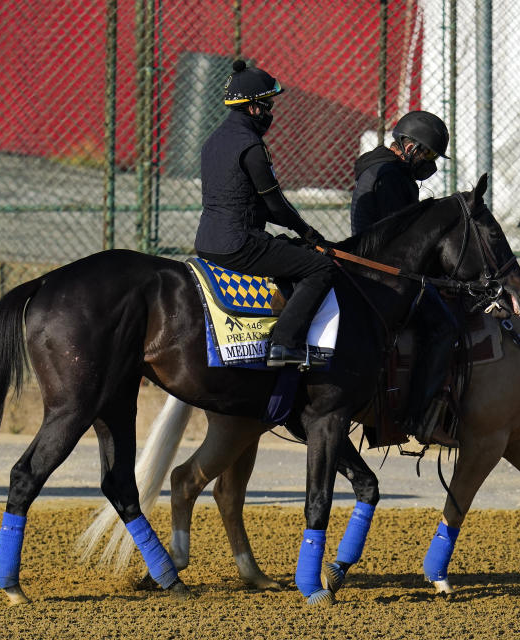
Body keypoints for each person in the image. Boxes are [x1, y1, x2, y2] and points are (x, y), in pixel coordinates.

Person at [195, 59, 334, 368]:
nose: (271, 111)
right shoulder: (252, 146)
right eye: (268, 104)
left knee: (288, 250)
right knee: (319, 268)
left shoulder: (212, 142)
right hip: (239, 244)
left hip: (206, 242)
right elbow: (274, 205)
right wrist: (307, 232)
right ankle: (285, 346)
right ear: (254, 108)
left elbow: (245, 201)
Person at [349, 111, 458, 444]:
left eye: (434, 156)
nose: (429, 162)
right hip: (385, 275)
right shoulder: (392, 177)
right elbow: (405, 239)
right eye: (426, 153)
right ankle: (422, 415)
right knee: (444, 326)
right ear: (407, 145)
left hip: (376, 268)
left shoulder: (378, 169)